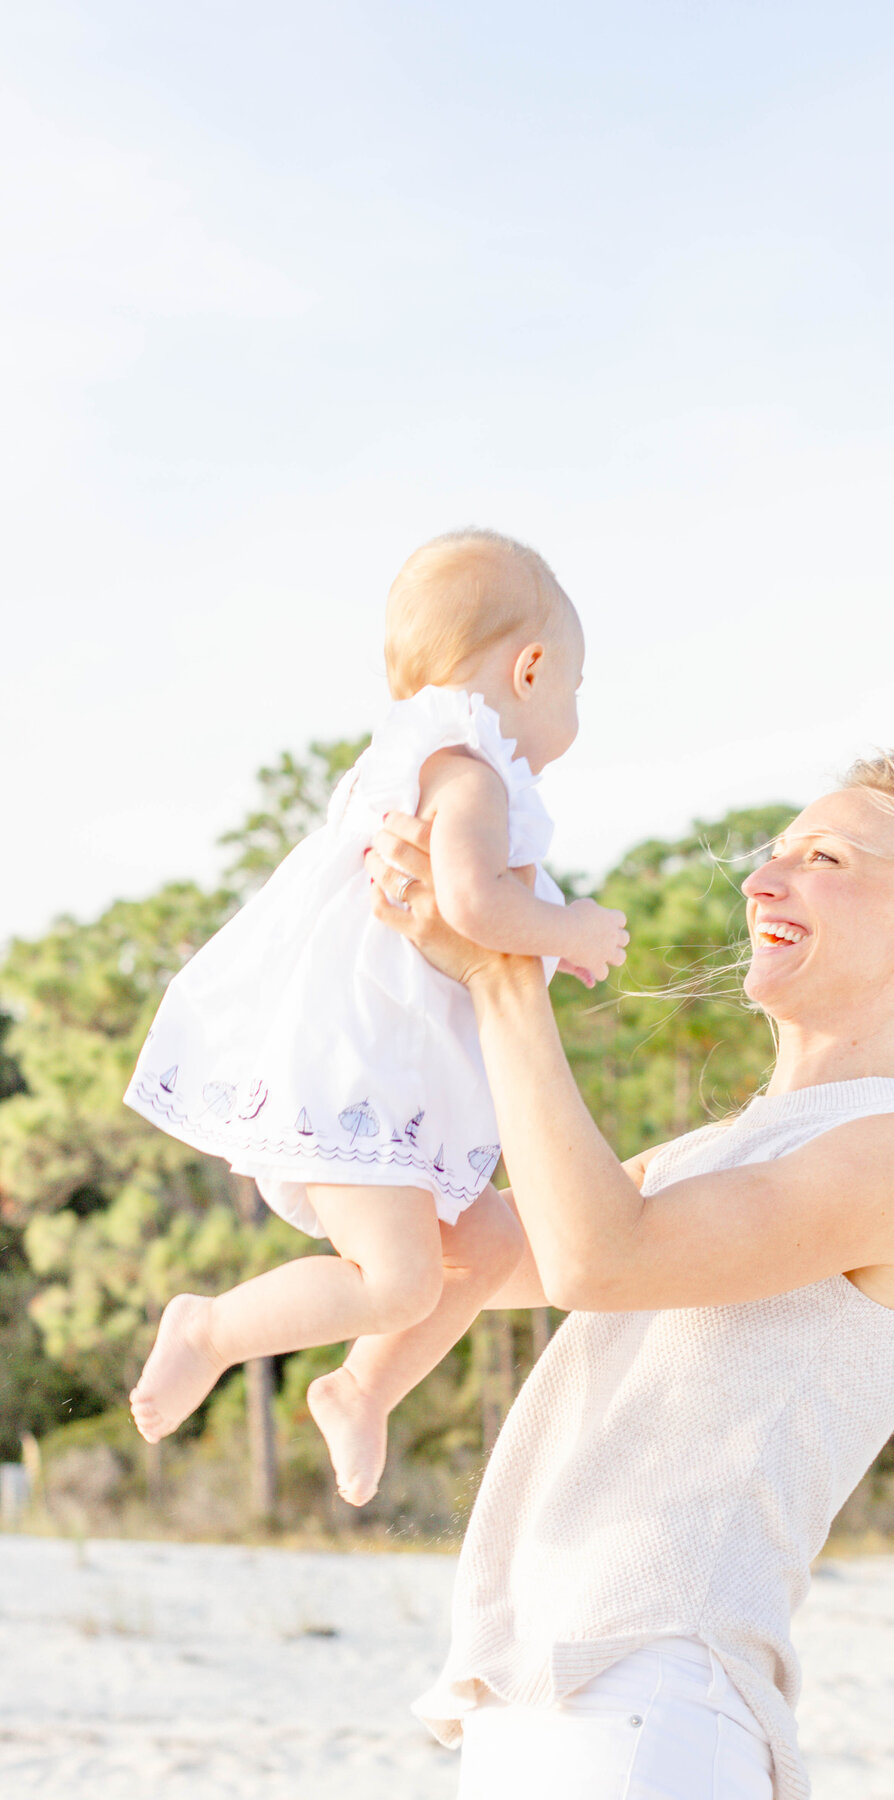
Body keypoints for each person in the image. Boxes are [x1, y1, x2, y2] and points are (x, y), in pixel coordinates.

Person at [354, 751, 894, 1800]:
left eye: (827, 859)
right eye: (776, 856)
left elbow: (596, 1257)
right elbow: (459, 1250)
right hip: (550, 1699)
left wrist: (503, 973)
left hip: (647, 1699)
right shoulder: (700, 1159)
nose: (764, 880)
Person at [122, 530, 628, 1504]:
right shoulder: (469, 772)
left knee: (481, 1248)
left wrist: (544, 936)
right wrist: (573, 927)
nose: (573, 709)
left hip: (385, 1073)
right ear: (531, 670)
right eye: (574, 685)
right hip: (363, 1076)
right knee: (398, 1282)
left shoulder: (420, 765)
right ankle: (208, 1329)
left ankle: (363, 1387)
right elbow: (473, 908)